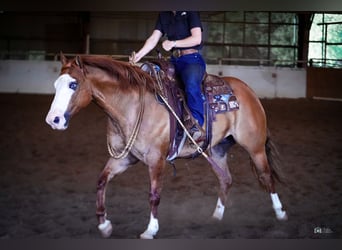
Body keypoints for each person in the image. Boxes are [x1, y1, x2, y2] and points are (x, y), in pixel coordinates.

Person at [130, 11, 206, 140]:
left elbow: (197, 38)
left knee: (191, 84)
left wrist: (174, 43)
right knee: (152, 77)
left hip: (192, 59)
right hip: (174, 60)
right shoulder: (164, 14)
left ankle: (196, 124)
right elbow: (154, 38)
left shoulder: (191, 11)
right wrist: (139, 55)